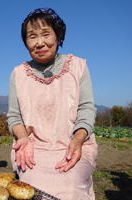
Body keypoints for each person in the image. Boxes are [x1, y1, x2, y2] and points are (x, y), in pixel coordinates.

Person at [7, 7, 98, 200]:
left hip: (72, 145)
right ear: (25, 42)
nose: (40, 42)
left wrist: (78, 140)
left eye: (46, 34)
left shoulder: (78, 66)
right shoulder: (18, 74)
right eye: (32, 36)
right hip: (33, 148)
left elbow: (86, 110)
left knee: (71, 184)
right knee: (34, 187)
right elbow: (14, 116)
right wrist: (23, 139)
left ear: (58, 37)